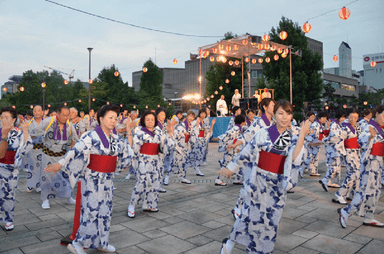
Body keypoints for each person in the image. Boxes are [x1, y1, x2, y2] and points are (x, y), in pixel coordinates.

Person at [218, 100, 310, 254]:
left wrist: (301, 136)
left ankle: (263, 251)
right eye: (280, 113)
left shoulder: (293, 136)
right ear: (274, 115)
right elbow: (247, 151)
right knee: (250, 218)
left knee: (272, 221)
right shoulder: (264, 132)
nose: (284, 117)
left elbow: (295, 158)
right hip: (258, 181)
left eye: (288, 113)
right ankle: (233, 245)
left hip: (277, 185)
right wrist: (231, 168)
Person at [45, 105, 133, 254]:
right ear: (101, 119)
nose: (113, 121)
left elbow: (127, 152)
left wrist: (125, 161)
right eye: (110, 118)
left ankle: (101, 242)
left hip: (108, 180)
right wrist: (60, 163)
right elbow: (76, 150)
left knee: (106, 211)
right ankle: (77, 243)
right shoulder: (90, 136)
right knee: (91, 211)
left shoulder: (115, 138)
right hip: (92, 179)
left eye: (115, 118)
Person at [338, 105, 384, 228]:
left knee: (375, 191)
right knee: (365, 191)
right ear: (377, 113)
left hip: (378, 163)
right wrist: (370, 137)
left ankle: (369, 216)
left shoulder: (381, 128)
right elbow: (361, 141)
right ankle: (346, 211)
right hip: (369, 163)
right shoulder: (370, 126)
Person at [30, 106, 79, 209]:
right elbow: (35, 132)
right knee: (46, 177)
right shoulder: (48, 122)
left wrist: (73, 144)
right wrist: (25, 137)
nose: (65, 117)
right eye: (63, 115)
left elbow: (75, 139)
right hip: (48, 154)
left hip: (62, 156)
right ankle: (45, 199)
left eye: (67, 115)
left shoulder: (70, 125)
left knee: (66, 177)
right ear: (57, 114)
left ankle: (68, 197)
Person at [128, 111, 174, 218]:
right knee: (142, 182)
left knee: (155, 182)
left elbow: (168, 145)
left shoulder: (159, 132)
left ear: (155, 121)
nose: (150, 122)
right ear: (144, 121)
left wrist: (169, 132)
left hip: (156, 160)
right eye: (147, 119)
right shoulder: (139, 133)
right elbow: (135, 149)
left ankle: (149, 204)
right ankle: (132, 205)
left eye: (152, 120)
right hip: (143, 160)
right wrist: (135, 162)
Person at [0, 106, 32, 231]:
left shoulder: (18, 133)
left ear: (13, 120)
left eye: (6, 118)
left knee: (8, 194)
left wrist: (25, 131)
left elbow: (27, 146)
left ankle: (8, 219)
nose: (3, 120)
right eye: (2, 118)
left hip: (11, 168)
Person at [332, 109, 361, 204]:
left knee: (357, 175)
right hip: (349, 153)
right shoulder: (344, 128)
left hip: (357, 153)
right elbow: (337, 139)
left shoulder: (358, 127)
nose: (352, 119)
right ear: (348, 117)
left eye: (355, 117)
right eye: (351, 117)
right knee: (352, 174)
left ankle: (352, 194)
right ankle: (339, 194)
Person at [164, 110, 196, 185]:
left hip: (185, 146)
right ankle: (167, 177)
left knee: (184, 163)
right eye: (190, 116)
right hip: (178, 147)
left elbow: (192, 136)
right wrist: (183, 134)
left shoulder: (191, 126)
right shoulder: (181, 125)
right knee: (173, 162)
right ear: (187, 116)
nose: (191, 118)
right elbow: (176, 134)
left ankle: (183, 177)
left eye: (193, 117)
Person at [215, 115, 246, 186]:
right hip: (230, 150)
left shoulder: (238, 128)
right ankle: (218, 179)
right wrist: (227, 145)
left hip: (233, 149)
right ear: (242, 122)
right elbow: (227, 135)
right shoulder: (236, 128)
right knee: (226, 164)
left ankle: (237, 179)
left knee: (238, 163)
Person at [319, 111, 346, 192]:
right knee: (334, 167)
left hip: (336, 149)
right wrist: (324, 140)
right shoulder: (335, 125)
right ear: (339, 117)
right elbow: (333, 137)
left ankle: (329, 181)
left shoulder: (337, 124)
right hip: (334, 149)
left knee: (334, 167)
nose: (343, 119)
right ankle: (325, 180)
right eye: (343, 117)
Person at [26, 105, 45, 193]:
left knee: (42, 167)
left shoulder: (46, 122)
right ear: (33, 112)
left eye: (39, 110)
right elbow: (26, 136)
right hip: (33, 148)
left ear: (42, 112)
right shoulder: (28, 123)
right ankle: (30, 185)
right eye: (35, 111)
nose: (37, 112)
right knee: (32, 166)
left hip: (43, 148)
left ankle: (39, 185)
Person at [303, 111, 329, 176]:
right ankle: (312, 171)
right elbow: (312, 133)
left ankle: (310, 169)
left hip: (316, 142)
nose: (325, 120)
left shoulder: (319, 125)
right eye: (324, 118)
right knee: (314, 157)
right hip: (314, 143)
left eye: (325, 118)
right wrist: (310, 141)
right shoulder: (316, 124)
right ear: (320, 118)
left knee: (312, 157)